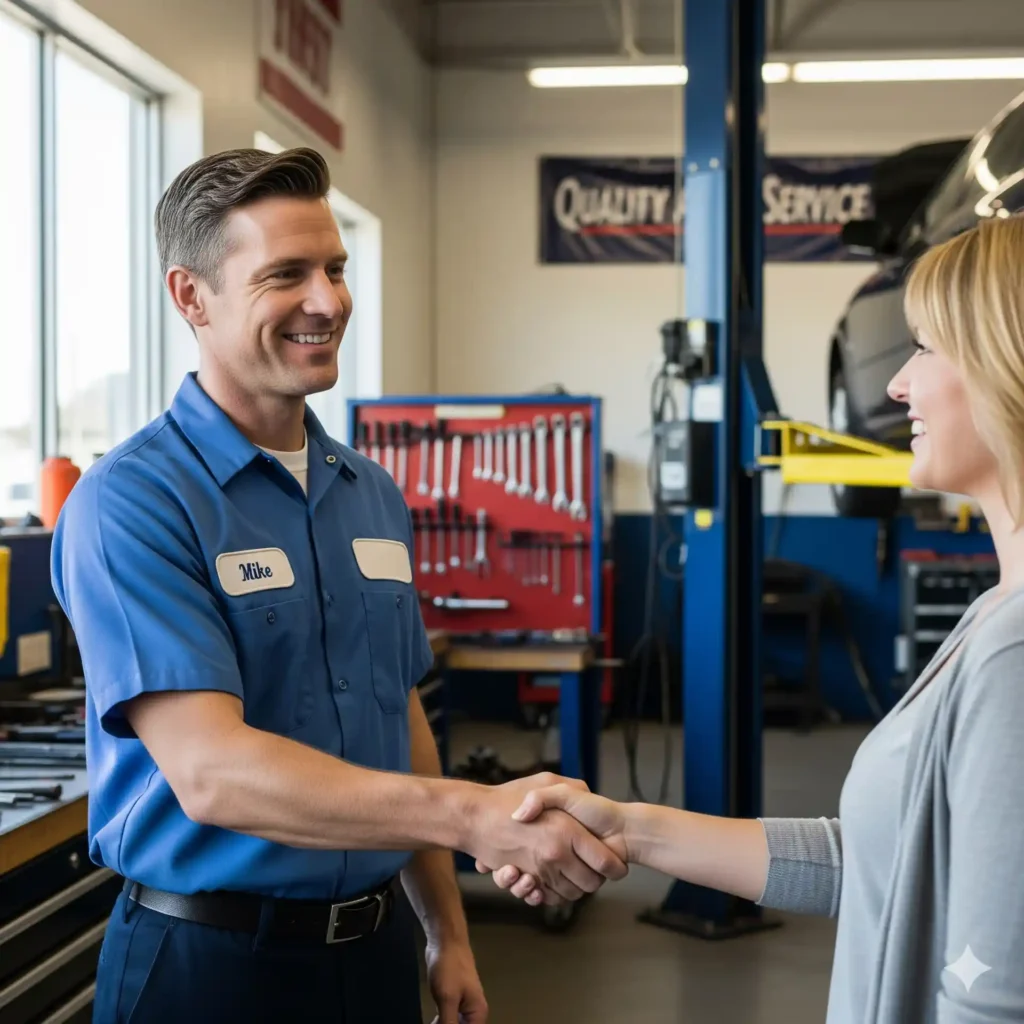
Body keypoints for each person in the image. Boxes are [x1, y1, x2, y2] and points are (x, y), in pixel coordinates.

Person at [50, 146, 627, 1024]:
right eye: (287, 274)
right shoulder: (132, 502)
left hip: (375, 954)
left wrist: (446, 929)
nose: (328, 301)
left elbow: (398, 714)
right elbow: (213, 774)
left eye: (335, 268)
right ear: (190, 296)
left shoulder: (370, 493)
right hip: (208, 968)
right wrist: (472, 816)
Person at [481, 214, 1024, 1024]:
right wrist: (629, 828)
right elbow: (874, 860)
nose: (897, 385)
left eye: (927, 349)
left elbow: (994, 1004)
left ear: (1004, 365)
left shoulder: (1015, 650)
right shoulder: (995, 614)